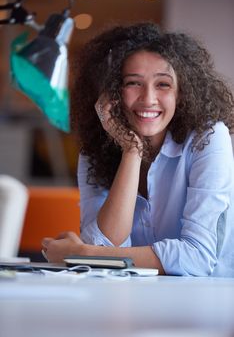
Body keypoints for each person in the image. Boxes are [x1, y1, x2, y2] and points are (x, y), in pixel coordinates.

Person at [42, 22, 234, 276]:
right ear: (112, 93)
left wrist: (83, 254)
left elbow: (197, 258)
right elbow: (104, 246)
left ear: (182, 93)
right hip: (133, 299)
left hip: (207, 302)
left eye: (163, 84)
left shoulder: (208, 137)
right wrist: (132, 150)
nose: (148, 99)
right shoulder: (95, 151)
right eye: (133, 83)